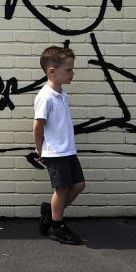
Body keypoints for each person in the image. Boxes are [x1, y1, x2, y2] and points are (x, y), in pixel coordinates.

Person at [33, 45, 86, 245]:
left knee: (79, 185)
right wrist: (40, 149)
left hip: (68, 150)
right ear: (52, 72)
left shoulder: (62, 94)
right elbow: (38, 127)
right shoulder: (45, 97)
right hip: (55, 152)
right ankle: (57, 226)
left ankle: (51, 210)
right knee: (61, 189)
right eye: (68, 70)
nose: (72, 73)